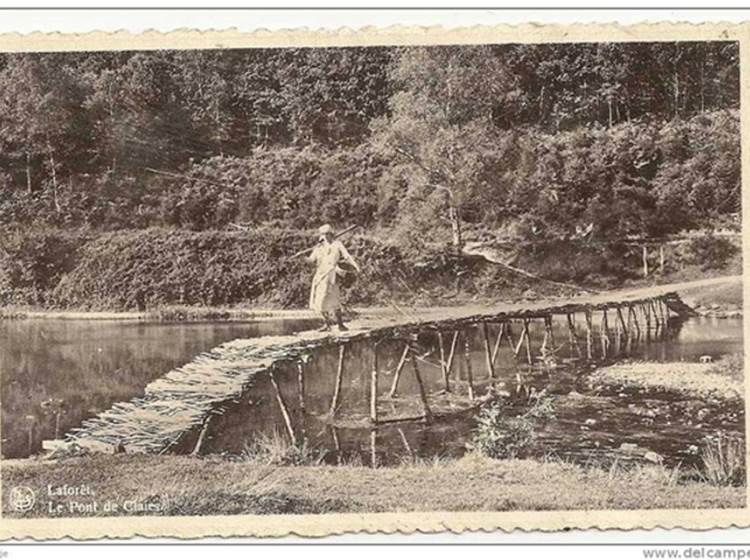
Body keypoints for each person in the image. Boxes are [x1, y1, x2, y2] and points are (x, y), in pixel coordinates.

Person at [306, 224, 361, 331]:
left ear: (331, 234)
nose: (325, 236)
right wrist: (302, 258)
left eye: (327, 234)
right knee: (320, 300)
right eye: (323, 234)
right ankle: (327, 324)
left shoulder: (337, 245)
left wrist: (356, 266)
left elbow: (347, 256)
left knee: (335, 300)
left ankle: (340, 324)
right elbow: (311, 260)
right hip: (320, 276)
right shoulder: (319, 248)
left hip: (332, 275)